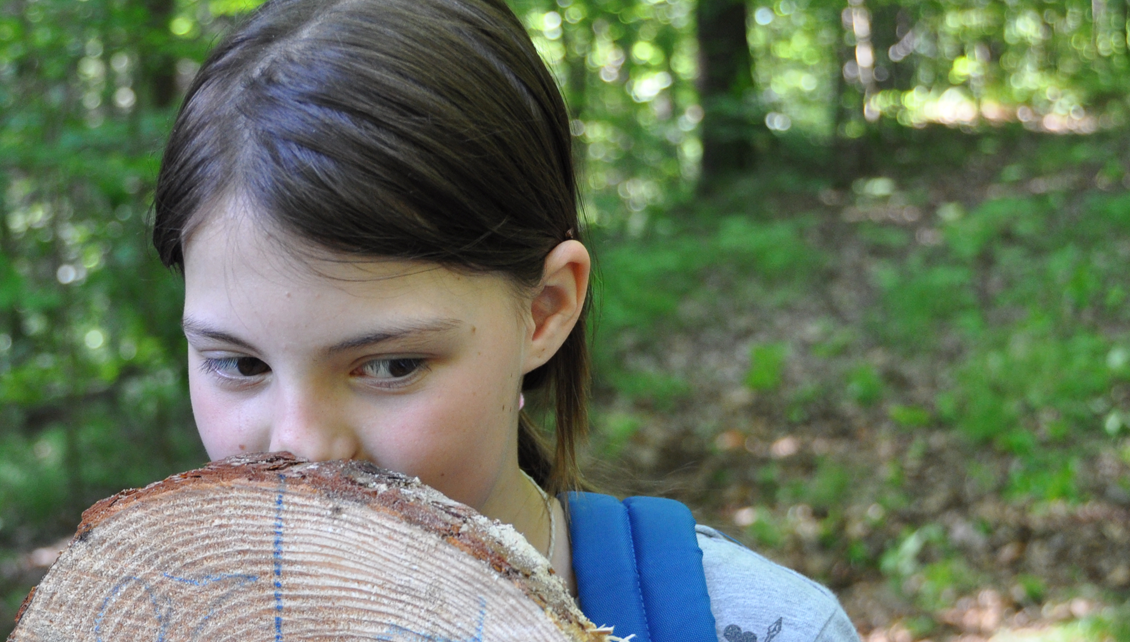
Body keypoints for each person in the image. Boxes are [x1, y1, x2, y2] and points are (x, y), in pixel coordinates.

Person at [151, 0, 860, 640]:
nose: (300, 447)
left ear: (545, 311)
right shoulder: (141, 617)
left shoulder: (763, 626)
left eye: (393, 365)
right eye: (240, 365)